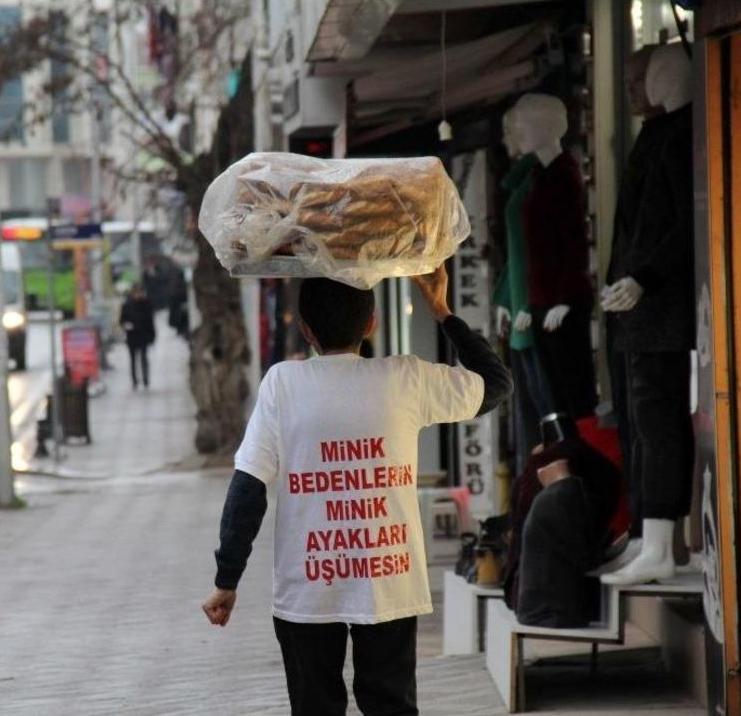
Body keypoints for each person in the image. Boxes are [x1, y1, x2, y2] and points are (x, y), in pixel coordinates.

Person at [202, 267, 512, 716]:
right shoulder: (407, 378)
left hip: (307, 586)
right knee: (391, 706)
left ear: (305, 329)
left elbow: (248, 488)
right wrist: (443, 312)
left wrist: (226, 580)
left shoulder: (282, 385)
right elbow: (497, 383)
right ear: (373, 324)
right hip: (389, 579)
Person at [120, 284, 156, 390]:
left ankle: (145, 379)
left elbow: (151, 322)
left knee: (144, 358)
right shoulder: (127, 305)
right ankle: (134, 381)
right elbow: (122, 321)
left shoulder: (147, 304)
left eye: (140, 292)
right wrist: (126, 326)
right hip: (132, 336)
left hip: (143, 336)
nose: (138, 294)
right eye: (136, 292)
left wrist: (152, 336)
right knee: (133, 360)